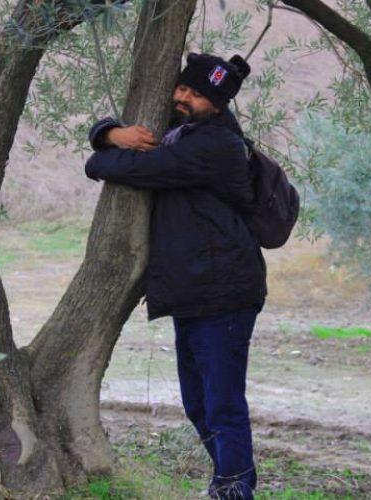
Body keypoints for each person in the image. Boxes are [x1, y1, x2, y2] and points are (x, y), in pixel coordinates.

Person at [85, 53, 266, 499]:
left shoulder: (213, 146)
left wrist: (108, 148)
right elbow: (108, 139)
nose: (183, 96)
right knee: (198, 404)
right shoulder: (182, 129)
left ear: (219, 105)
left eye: (198, 94)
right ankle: (226, 481)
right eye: (183, 87)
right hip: (196, 289)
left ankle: (234, 489)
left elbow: (113, 167)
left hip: (223, 291)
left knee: (221, 403)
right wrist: (111, 132)